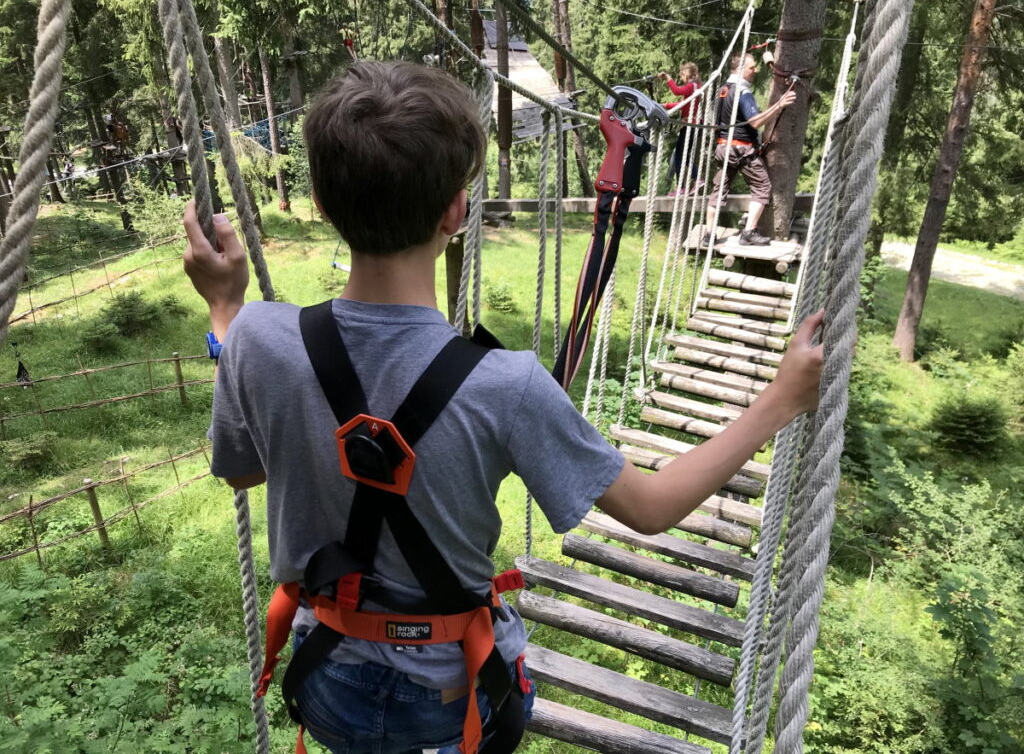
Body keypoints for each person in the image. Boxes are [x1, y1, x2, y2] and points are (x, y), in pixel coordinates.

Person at [182, 59, 824, 754]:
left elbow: (242, 472)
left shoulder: (258, 338)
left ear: (318, 201)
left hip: (326, 680)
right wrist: (779, 402)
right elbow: (652, 507)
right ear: (457, 211)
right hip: (447, 701)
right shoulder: (507, 385)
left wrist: (223, 309)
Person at [704, 52, 796, 247]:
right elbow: (755, 122)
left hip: (723, 148)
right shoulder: (742, 92)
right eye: (751, 68)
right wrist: (779, 104)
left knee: (718, 191)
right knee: (762, 186)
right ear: (739, 69)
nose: (755, 71)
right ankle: (749, 232)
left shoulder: (722, 90)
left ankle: (709, 235)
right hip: (740, 150)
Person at [658, 62, 703, 194]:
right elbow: (683, 104)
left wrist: (668, 78)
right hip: (694, 125)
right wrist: (666, 105)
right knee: (682, 155)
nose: (682, 78)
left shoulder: (691, 86)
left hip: (690, 125)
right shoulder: (696, 87)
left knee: (679, 155)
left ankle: (688, 184)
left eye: (683, 75)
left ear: (689, 74)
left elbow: (677, 91)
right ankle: (686, 184)